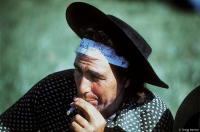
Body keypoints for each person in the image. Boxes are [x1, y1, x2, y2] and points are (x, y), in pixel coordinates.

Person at [0, 2, 174, 132]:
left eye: (96, 77)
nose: (82, 87)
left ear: (127, 79)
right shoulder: (53, 89)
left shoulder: (152, 116)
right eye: (78, 70)